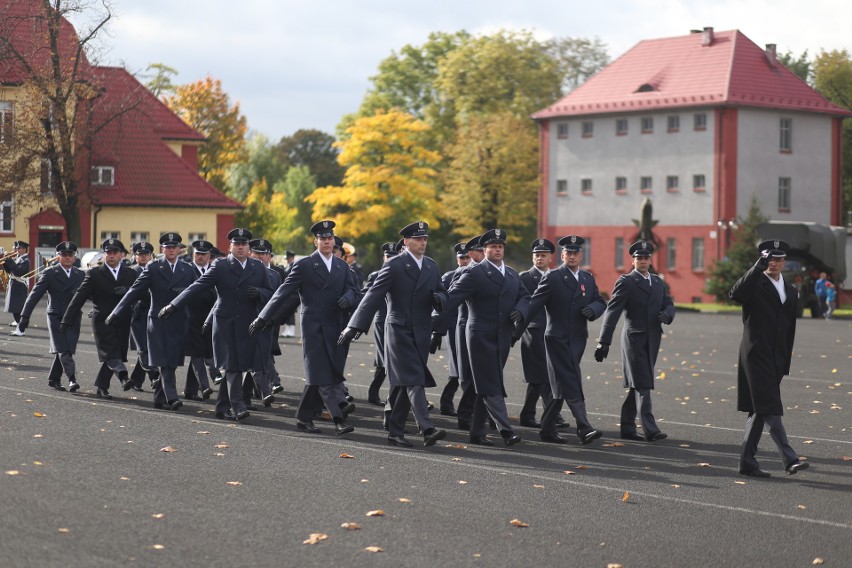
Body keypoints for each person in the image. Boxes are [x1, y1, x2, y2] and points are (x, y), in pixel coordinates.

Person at [340, 221, 448, 448]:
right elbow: (373, 296)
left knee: (402, 384)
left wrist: (440, 299)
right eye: (418, 239)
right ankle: (426, 428)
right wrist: (354, 326)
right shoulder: (394, 265)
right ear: (406, 242)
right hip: (398, 331)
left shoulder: (431, 266)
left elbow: (441, 291)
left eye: (425, 239)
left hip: (421, 330)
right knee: (415, 379)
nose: (423, 242)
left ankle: (395, 431)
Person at [249, 220, 358, 435]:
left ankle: (303, 418)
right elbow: (282, 293)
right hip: (314, 327)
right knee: (321, 373)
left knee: (322, 374)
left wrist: (348, 297)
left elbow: (354, 290)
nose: (327, 242)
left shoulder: (341, 266)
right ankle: (339, 419)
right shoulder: (305, 265)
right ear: (315, 241)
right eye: (323, 239)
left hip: (335, 326)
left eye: (330, 239)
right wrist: (263, 318)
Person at [162, 228, 272, 421]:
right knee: (232, 366)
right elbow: (197, 286)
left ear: (248, 247)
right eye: (236, 244)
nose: (240, 247)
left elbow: (271, 293)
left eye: (243, 244)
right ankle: (238, 406)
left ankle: (221, 407)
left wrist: (260, 293)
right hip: (225, 322)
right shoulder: (220, 266)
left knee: (238, 366)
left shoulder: (257, 266)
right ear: (230, 246)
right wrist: (174, 305)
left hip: (248, 323)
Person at [436, 229, 529, 447]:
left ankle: (476, 432)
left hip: (503, 337)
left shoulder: (513, 274)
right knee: (490, 383)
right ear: (484, 250)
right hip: (480, 336)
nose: (497, 250)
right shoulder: (474, 274)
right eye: (493, 247)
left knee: (483, 385)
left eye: (500, 246)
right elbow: (452, 300)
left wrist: (521, 310)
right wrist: (435, 328)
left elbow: (526, 296)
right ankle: (506, 430)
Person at [730, 239, 809, 477]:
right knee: (770, 407)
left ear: (785, 261)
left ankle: (747, 463)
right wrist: (756, 268)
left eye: (778, 259)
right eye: (769, 259)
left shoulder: (792, 291)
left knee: (759, 410)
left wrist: (785, 359)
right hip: (755, 354)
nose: (773, 263)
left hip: (776, 357)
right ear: (763, 259)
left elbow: (789, 328)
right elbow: (735, 293)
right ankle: (789, 458)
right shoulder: (754, 283)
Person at [520, 236, 607, 445]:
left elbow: (600, 301)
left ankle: (547, 428)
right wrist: (515, 331)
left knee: (560, 384)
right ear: (562, 255)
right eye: (569, 253)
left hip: (578, 339)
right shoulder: (553, 277)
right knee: (571, 378)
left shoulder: (587, 278)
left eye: (576, 253)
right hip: (556, 338)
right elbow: (534, 305)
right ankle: (584, 426)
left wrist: (593, 309)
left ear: (581, 255)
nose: (573, 256)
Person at [595, 240, 675, 442]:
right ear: (633, 260)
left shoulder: (657, 282)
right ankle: (651, 429)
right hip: (634, 339)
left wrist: (668, 313)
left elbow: (668, 303)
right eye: (639, 258)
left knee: (637, 384)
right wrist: (603, 341)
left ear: (651, 260)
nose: (643, 261)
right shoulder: (627, 282)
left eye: (646, 258)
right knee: (643, 384)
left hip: (653, 338)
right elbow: (612, 312)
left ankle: (628, 427)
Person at [107, 233, 196, 410]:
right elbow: (135, 291)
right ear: (162, 249)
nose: (171, 250)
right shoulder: (153, 267)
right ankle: (171, 396)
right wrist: (117, 311)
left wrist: (184, 293)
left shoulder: (187, 269)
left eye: (174, 247)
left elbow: (198, 291)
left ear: (179, 249)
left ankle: (159, 398)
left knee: (172, 361)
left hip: (179, 320)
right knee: (163, 360)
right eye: (167, 247)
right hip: (158, 321)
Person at [62, 238, 138, 399]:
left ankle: (101, 387)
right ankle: (124, 377)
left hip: (123, 320)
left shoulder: (131, 273)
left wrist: (129, 290)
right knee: (110, 352)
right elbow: (79, 297)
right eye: (108, 252)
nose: (111, 255)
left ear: (121, 255)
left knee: (115, 353)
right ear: (104, 255)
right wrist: (67, 319)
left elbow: (142, 294)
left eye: (114, 252)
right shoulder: (95, 273)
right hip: (102, 320)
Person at [18, 241, 85, 391]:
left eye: (70, 255)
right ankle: (72, 379)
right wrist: (24, 316)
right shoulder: (50, 273)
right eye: (64, 255)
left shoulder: (80, 274)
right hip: (56, 316)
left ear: (75, 257)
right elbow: (34, 296)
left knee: (66, 349)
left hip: (73, 317)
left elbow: (93, 295)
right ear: (58, 257)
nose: (67, 257)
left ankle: (54, 379)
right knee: (63, 349)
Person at [517, 238, 556, 428]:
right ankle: (548, 414)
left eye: (543, 255)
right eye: (536, 255)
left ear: (550, 257)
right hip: (533, 331)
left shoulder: (556, 276)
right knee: (539, 375)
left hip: (553, 332)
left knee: (546, 375)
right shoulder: (525, 277)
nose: (539, 258)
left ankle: (531, 414)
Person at [364, 241, 400, 406]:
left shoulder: (402, 272)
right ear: (383, 257)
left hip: (397, 320)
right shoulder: (375, 275)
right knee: (386, 359)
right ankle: (392, 399)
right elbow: (365, 298)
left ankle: (374, 393)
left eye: (394, 256)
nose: (390, 259)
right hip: (381, 320)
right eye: (388, 256)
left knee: (387, 359)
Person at [436, 242, 470, 416]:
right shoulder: (449, 277)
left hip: (469, 328)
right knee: (456, 367)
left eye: (467, 257)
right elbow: (444, 307)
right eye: (461, 258)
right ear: (457, 259)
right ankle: (446, 402)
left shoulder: (475, 275)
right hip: (453, 326)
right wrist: (438, 331)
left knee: (466, 369)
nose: (465, 261)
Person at [182, 240, 217, 400]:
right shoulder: (187, 270)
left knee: (205, 350)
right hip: (192, 316)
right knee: (197, 352)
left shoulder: (215, 270)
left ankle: (190, 390)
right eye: (197, 254)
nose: (200, 257)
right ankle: (205, 386)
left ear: (210, 256)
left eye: (204, 254)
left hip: (210, 317)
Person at [126, 241, 160, 392]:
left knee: (148, 348)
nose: (144, 257)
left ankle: (135, 381)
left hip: (153, 315)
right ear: (135, 256)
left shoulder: (156, 271)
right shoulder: (130, 272)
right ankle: (154, 375)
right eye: (140, 254)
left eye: (146, 254)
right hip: (137, 315)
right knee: (143, 349)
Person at [5, 240, 31, 334]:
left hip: (20, 285)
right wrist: (5, 263)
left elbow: (18, 272)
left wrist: (10, 262)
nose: (17, 249)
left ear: (24, 249)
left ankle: (21, 329)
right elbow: (11, 270)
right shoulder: (19, 258)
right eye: (17, 248)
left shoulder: (25, 260)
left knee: (18, 309)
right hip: (15, 284)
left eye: (19, 248)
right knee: (14, 308)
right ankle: (19, 328)